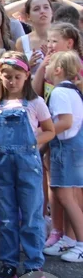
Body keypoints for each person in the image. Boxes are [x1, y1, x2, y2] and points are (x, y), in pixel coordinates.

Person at [0, 52, 54, 278]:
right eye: (7, 76)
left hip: (28, 163)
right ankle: (9, 264)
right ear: (0, 76)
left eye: (17, 76)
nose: (12, 81)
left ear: (26, 75)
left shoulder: (35, 102)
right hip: (3, 162)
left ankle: (34, 266)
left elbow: (50, 129)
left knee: (32, 215)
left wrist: (35, 140)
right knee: (6, 215)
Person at [44, 51, 83, 262]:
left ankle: (80, 243)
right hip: (71, 147)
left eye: (49, 65)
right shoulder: (73, 90)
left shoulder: (59, 92)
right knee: (69, 196)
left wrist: (42, 134)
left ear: (57, 69)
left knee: (65, 197)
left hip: (66, 148)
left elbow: (65, 122)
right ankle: (69, 239)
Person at [16, 0, 53, 71]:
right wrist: (27, 66)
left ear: (52, 12)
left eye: (46, 7)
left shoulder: (63, 37)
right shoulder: (22, 42)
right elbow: (16, 72)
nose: (42, 11)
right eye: (36, 9)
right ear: (28, 16)